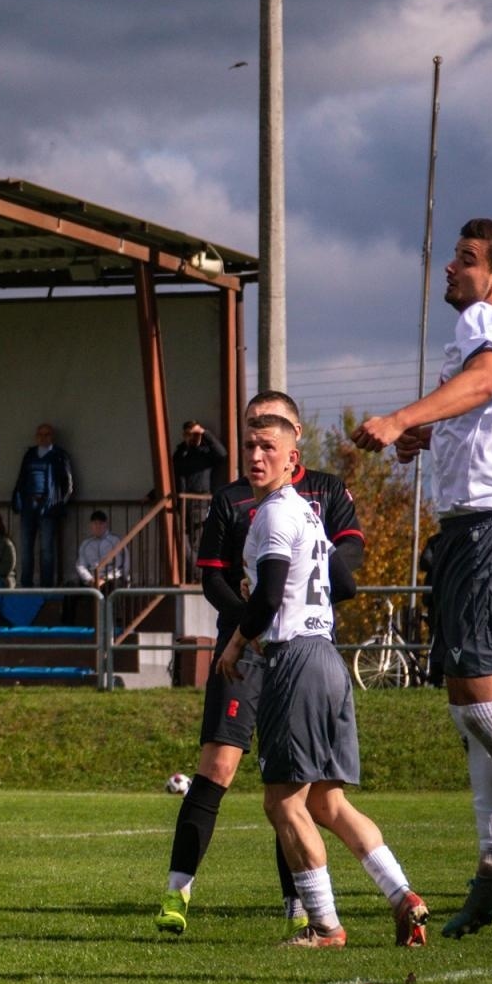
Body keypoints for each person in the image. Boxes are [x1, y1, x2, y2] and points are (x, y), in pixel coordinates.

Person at [353, 217, 492, 937]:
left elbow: (485, 382)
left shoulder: (487, 325)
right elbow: (486, 405)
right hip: (482, 528)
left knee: (483, 707)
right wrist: (430, 429)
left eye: (467, 260)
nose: (450, 269)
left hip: (488, 528)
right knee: (470, 707)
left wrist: (399, 419)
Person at [154, 390, 364, 938]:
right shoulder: (231, 500)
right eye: (249, 432)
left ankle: (299, 904)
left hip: (299, 650)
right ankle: (177, 893)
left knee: (290, 779)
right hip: (242, 650)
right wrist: (251, 619)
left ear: (294, 441)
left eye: (268, 433)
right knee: (217, 768)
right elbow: (213, 578)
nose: (255, 446)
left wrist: (290, 598)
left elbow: (348, 569)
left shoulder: (325, 491)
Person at [215, 413, 428, 948]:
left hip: (295, 661)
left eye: (268, 447)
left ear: (293, 459)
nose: (256, 456)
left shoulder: (272, 516)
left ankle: (326, 925)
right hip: (328, 658)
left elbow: (265, 599)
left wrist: (238, 642)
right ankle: (403, 895)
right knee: (326, 804)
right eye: (249, 447)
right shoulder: (311, 517)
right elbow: (346, 584)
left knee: (282, 803)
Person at [11, 423, 73, 587]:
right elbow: (21, 478)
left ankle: (46, 586)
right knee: (26, 548)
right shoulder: (30, 454)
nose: (43, 437)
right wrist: (18, 499)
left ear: (52, 436)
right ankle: (26, 585)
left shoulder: (58, 455)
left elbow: (68, 483)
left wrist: (60, 504)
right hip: (28, 505)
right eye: (40, 434)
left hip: (48, 506)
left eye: (47, 434)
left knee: (46, 549)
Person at [173, 420, 227, 561]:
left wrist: (205, 433)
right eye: (188, 434)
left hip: (199, 503)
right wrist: (152, 495)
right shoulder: (180, 453)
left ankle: (196, 577)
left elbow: (222, 454)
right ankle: (194, 574)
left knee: (197, 540)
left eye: (194, 434)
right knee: (181, 542)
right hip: (181, 503)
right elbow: (171, 476)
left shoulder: (205, 453)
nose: (191, 438)